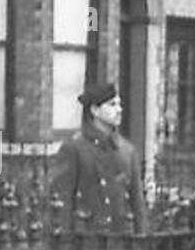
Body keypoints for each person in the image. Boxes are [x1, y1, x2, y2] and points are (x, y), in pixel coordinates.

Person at [50, 81, 148, 235]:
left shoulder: (127, 151)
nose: (119, 110)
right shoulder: (75, 149)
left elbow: (137, 202)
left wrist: (141, 238)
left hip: (121, 240)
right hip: (87, 240)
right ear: (95, 110)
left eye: (119, 104)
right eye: (112, 105)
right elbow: (64, 200)